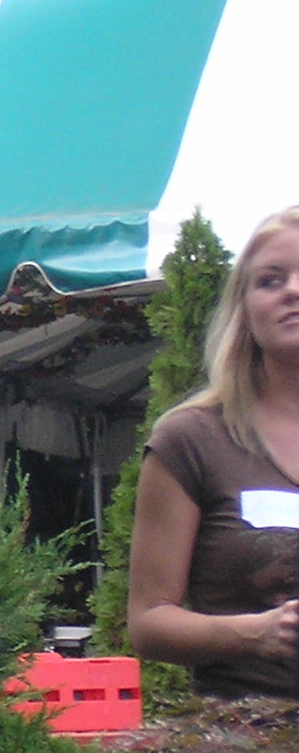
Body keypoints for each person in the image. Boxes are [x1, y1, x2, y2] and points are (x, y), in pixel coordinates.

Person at [127, 205, 299, 699]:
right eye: (270, 280)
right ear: (244, 311)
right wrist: (256, 633)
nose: (291, 289)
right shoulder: (191, 440)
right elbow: (148, 622)